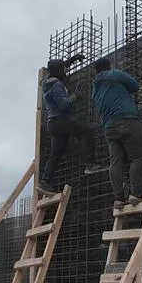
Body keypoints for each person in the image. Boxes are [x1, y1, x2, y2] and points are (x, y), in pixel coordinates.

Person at [38, 54, 107, 194]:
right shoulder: (57, 84)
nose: (66, 71)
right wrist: (76, 95)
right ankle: (90, 163)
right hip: (60, 120)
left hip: (53, 123)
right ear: (58, 71)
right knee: (86, 131)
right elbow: (63, 105)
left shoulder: (46, 82)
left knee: (56, 153)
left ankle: (45, 182)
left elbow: (57, 69)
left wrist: (72, 60)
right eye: (63, 69)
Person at [91, 57, 142, 209]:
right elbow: (134, 86)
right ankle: (136, 193)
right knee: (137, 157)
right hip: (127, 120)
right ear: (109, 66)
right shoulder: (114, 74)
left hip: (109, 128)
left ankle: (118, 198)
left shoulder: (95, 89)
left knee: (115, 162)